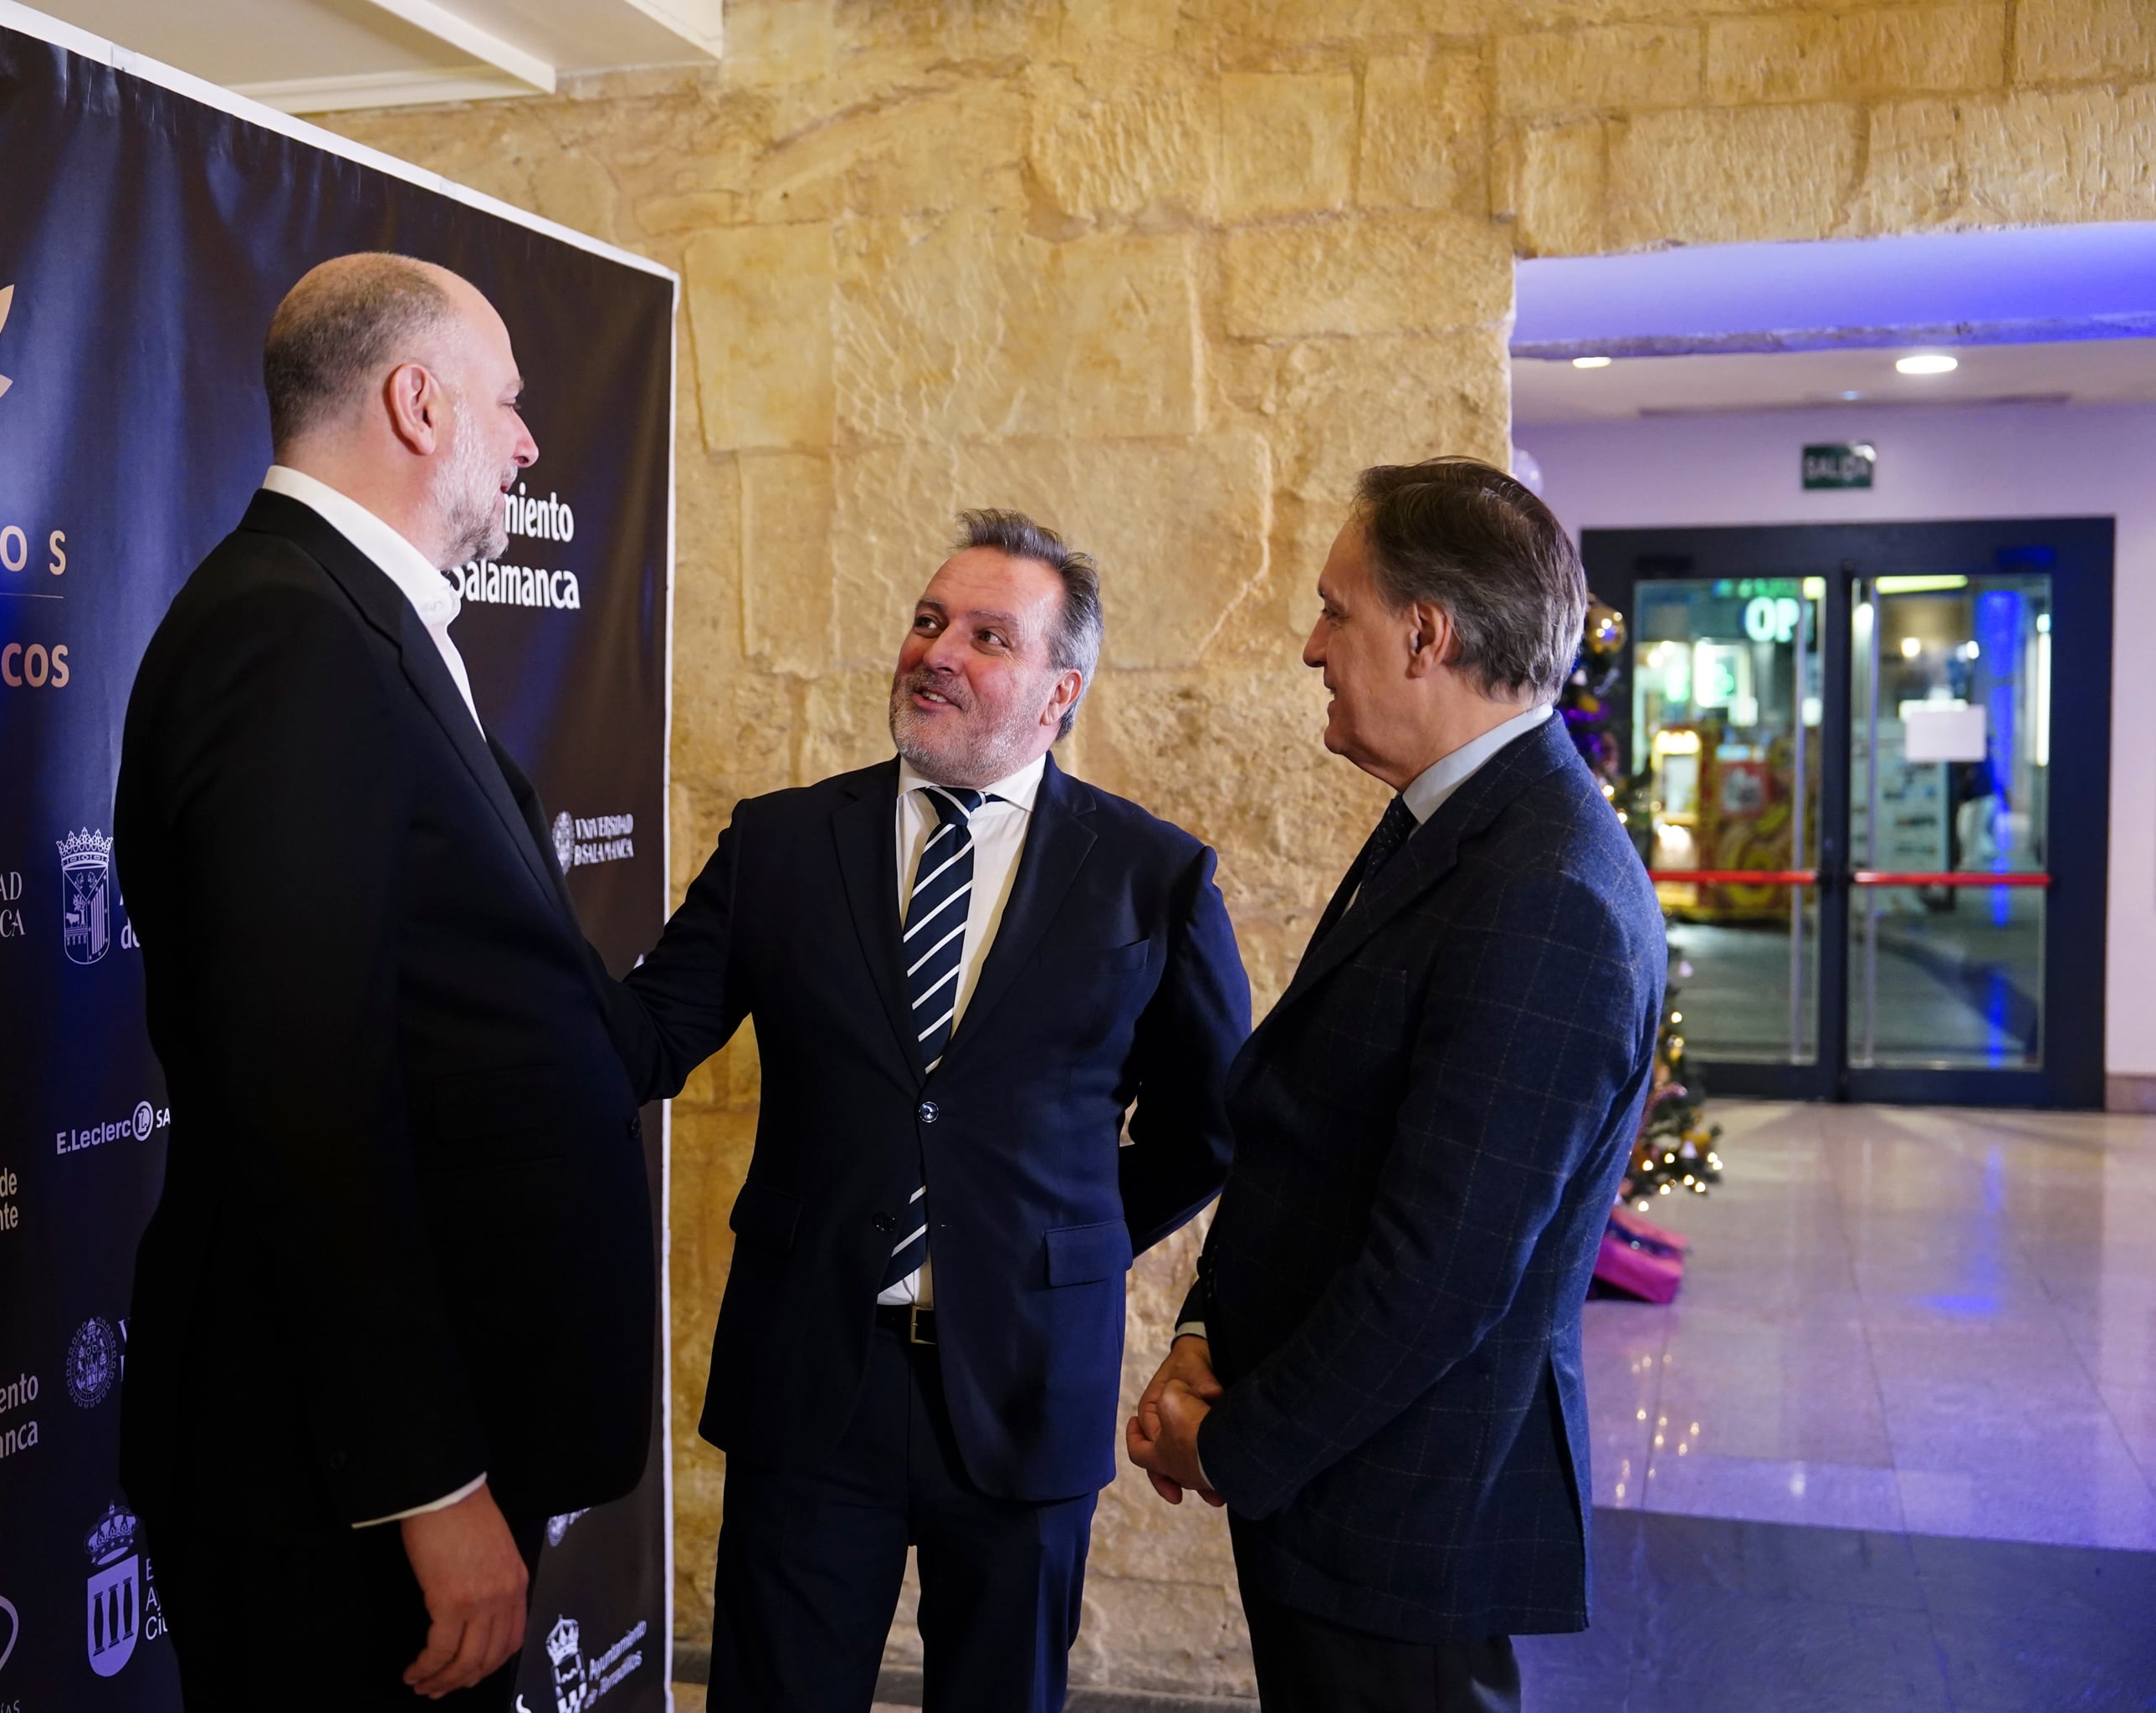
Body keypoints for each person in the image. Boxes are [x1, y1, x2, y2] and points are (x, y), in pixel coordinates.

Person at [114, 254, 656, 1708]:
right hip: (326, 1482)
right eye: (507, 402)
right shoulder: (288, 637)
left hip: (393, 1437)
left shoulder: (351, 618)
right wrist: (426, 1483)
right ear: (417, 403)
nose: (530, 442)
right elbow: (305, 1091)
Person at [607, 510, 1250, 1713]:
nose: (938, 651)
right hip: (811, 1379)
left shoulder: (1152, 876)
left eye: (988, 636)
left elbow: (1209, 1123)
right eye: (927, 621)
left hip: (1024, 1386)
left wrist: (1062, 1241)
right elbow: (641, 1040)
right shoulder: (781, 843)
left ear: (1060, 694)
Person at [1126, 459, 1668, 1713]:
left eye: (1334, 609)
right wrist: (1206, 1335)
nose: (1314, 647)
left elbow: (1440, 1275)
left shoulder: (1548, 893)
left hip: (1405, 1519)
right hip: (1345, 1492)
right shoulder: (1453, 822)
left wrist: (1229, 1445)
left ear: (1425, 634)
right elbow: (1306, 1132)